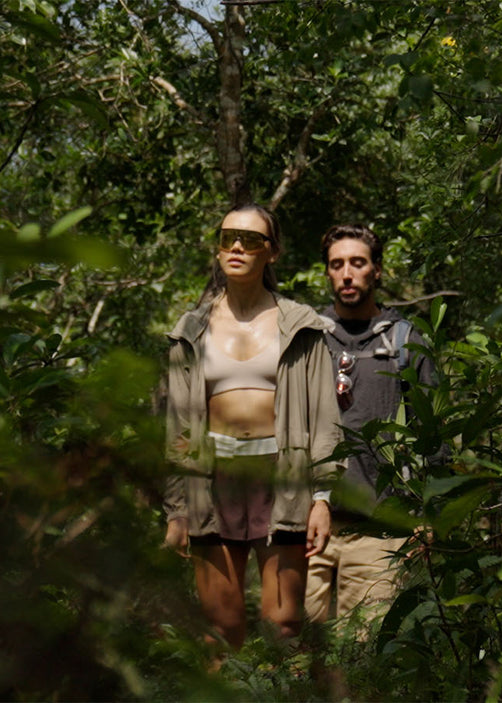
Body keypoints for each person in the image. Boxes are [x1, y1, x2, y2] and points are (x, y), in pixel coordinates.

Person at [160, 204, 345, 650]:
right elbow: (178, 427)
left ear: (272, 252)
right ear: (218, 248)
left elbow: (324, 416)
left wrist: (322, 497)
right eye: (228, 238)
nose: (237, 247)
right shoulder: (191, 330)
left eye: (251, 239)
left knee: (283, 627)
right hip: (212, 483)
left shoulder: (300, 326)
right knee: (219, 631)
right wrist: (176, 510)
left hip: (283, 480)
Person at [305, 224, 442, 632]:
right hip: (307, 525)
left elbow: (431, 434)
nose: (347, 274)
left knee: (364, 654)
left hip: (379, 531)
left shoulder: (405, 342)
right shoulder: (308, 339)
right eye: (337, 265)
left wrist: (429, 514)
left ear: (377, 270)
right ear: (328, 272)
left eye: (357, 263)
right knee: (291, 652)